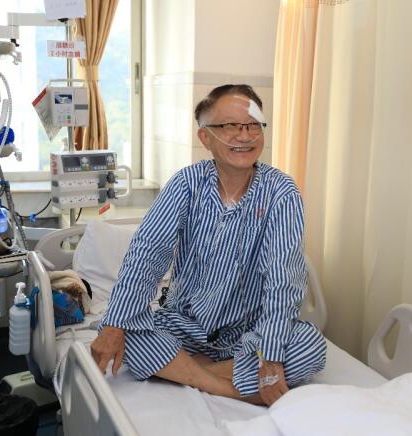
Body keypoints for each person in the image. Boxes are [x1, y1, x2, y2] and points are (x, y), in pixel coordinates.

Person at [90, 84, 326, 406]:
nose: (244, 136)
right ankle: (227, 387)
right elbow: (147, 254)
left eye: (253, 125)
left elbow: (284, 278)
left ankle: (186, 371)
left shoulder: (281, 191)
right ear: (206, 138)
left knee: (309, 347)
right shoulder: (186, 184)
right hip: (184, 325)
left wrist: (270, 358)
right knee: (120, 328)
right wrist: (115, 325)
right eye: (230, 126)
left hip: (248, 332)